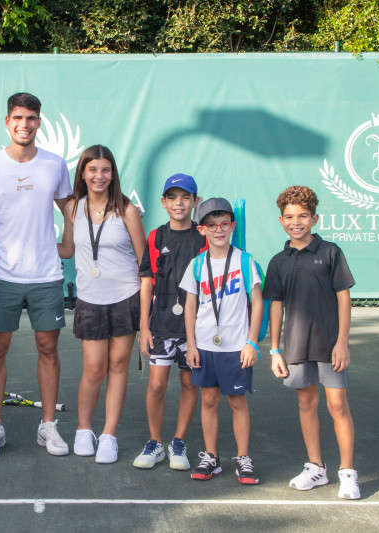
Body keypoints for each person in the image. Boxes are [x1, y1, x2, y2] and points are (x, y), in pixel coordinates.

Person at [0, 92, 73, 457]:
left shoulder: (55, 165)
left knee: (48, 348)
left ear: (39, 122)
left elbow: (71, 207)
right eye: (18, 117)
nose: (25, 124)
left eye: (31, 117)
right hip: (3, 276)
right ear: (8, 122)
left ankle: (47, 426)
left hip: (47, 275)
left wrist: (68, 243)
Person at [263, 185, 359, 499]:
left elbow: (344, 298)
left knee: (336, 405)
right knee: (306, 403)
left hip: (330, 344)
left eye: (303, 215)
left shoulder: (331, 252)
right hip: (295, 346)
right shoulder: (278, 262)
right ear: (281, 221)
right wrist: (275, 349)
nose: (296, 221)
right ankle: (316, 468)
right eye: (289, 216)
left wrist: (342, 342)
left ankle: (347, 473)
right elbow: (275, 305)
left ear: (314, 218)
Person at [57, 145, 145, 464]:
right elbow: (67, 249)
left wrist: (146, 312)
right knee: (93, 369)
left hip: (125, 297)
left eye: (105, 170)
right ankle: (84, 430)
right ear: (83, 173)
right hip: (90, 299)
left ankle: (109, 434)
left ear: (113, 174)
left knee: (118, 365)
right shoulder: (73, 209)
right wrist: (29, 244)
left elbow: (143, 261)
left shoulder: (128, 211)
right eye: (93, 169)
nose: (99, 176)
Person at [179, 198, 263, 484]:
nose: (219, 230)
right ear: (202, 229)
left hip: (236, 347)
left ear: (232, 226)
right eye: (212, 225)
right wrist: (190, 344)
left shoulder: (244, 260)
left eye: (224, 224)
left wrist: (252, 342)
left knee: (237, 401)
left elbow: (258, 302)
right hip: (204, 345)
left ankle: (243, 457)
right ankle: (211, 456)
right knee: (209, 399)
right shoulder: (197, 263)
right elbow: (191, 305)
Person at [133, 174, 206, 471]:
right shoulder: (155, 237)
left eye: (186, 197)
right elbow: (146, 282)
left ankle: (178, 441)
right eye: (173, 198)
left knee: (189, 382)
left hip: (195, 328)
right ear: (163, 203)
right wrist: (144, 326)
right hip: (160, 325)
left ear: (195, 202)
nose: (179, 203)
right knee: (156, 385)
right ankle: (155, 442)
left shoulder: (203, 237)